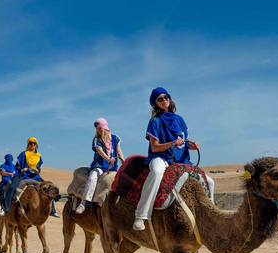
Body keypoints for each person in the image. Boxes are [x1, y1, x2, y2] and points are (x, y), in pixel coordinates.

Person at [133, 87, 215, 231]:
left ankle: (211, 212)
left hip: (181, 160)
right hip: (161, 157)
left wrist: (193, 146)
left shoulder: (179, 119)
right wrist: (171, 143)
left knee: (210, 181)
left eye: (166, 97)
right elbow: (155, 147)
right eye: (160, 99)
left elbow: (185, 142)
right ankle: (141, 215)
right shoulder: (155, 122)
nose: (164, 100)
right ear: (155, 104)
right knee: (157, 172)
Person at [75, 118, 124, 214]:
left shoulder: (115, 138)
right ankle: (83, 202)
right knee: (92, 178)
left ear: (105, 128)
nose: (98, 131)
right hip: (100, 166)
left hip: (112, 167)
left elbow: (119, 150)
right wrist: (108, 159)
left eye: (100, 128)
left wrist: (123, 160)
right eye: (97, 129)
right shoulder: (97, 139)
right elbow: (100, 151)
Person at [17, 137, 59, 217]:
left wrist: (37, 171)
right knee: (14, 187)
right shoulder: (23, 154)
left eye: (34, 143)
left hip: (35, 176)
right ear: (28, 144)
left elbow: (39, 169)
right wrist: (22, 169)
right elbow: (16, 167)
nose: (32, 145)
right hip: (25, 176)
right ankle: (7, 208)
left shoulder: (38, 156)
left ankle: (52, 211)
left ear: (36, 145)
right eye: (30, 143)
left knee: (49, 188)